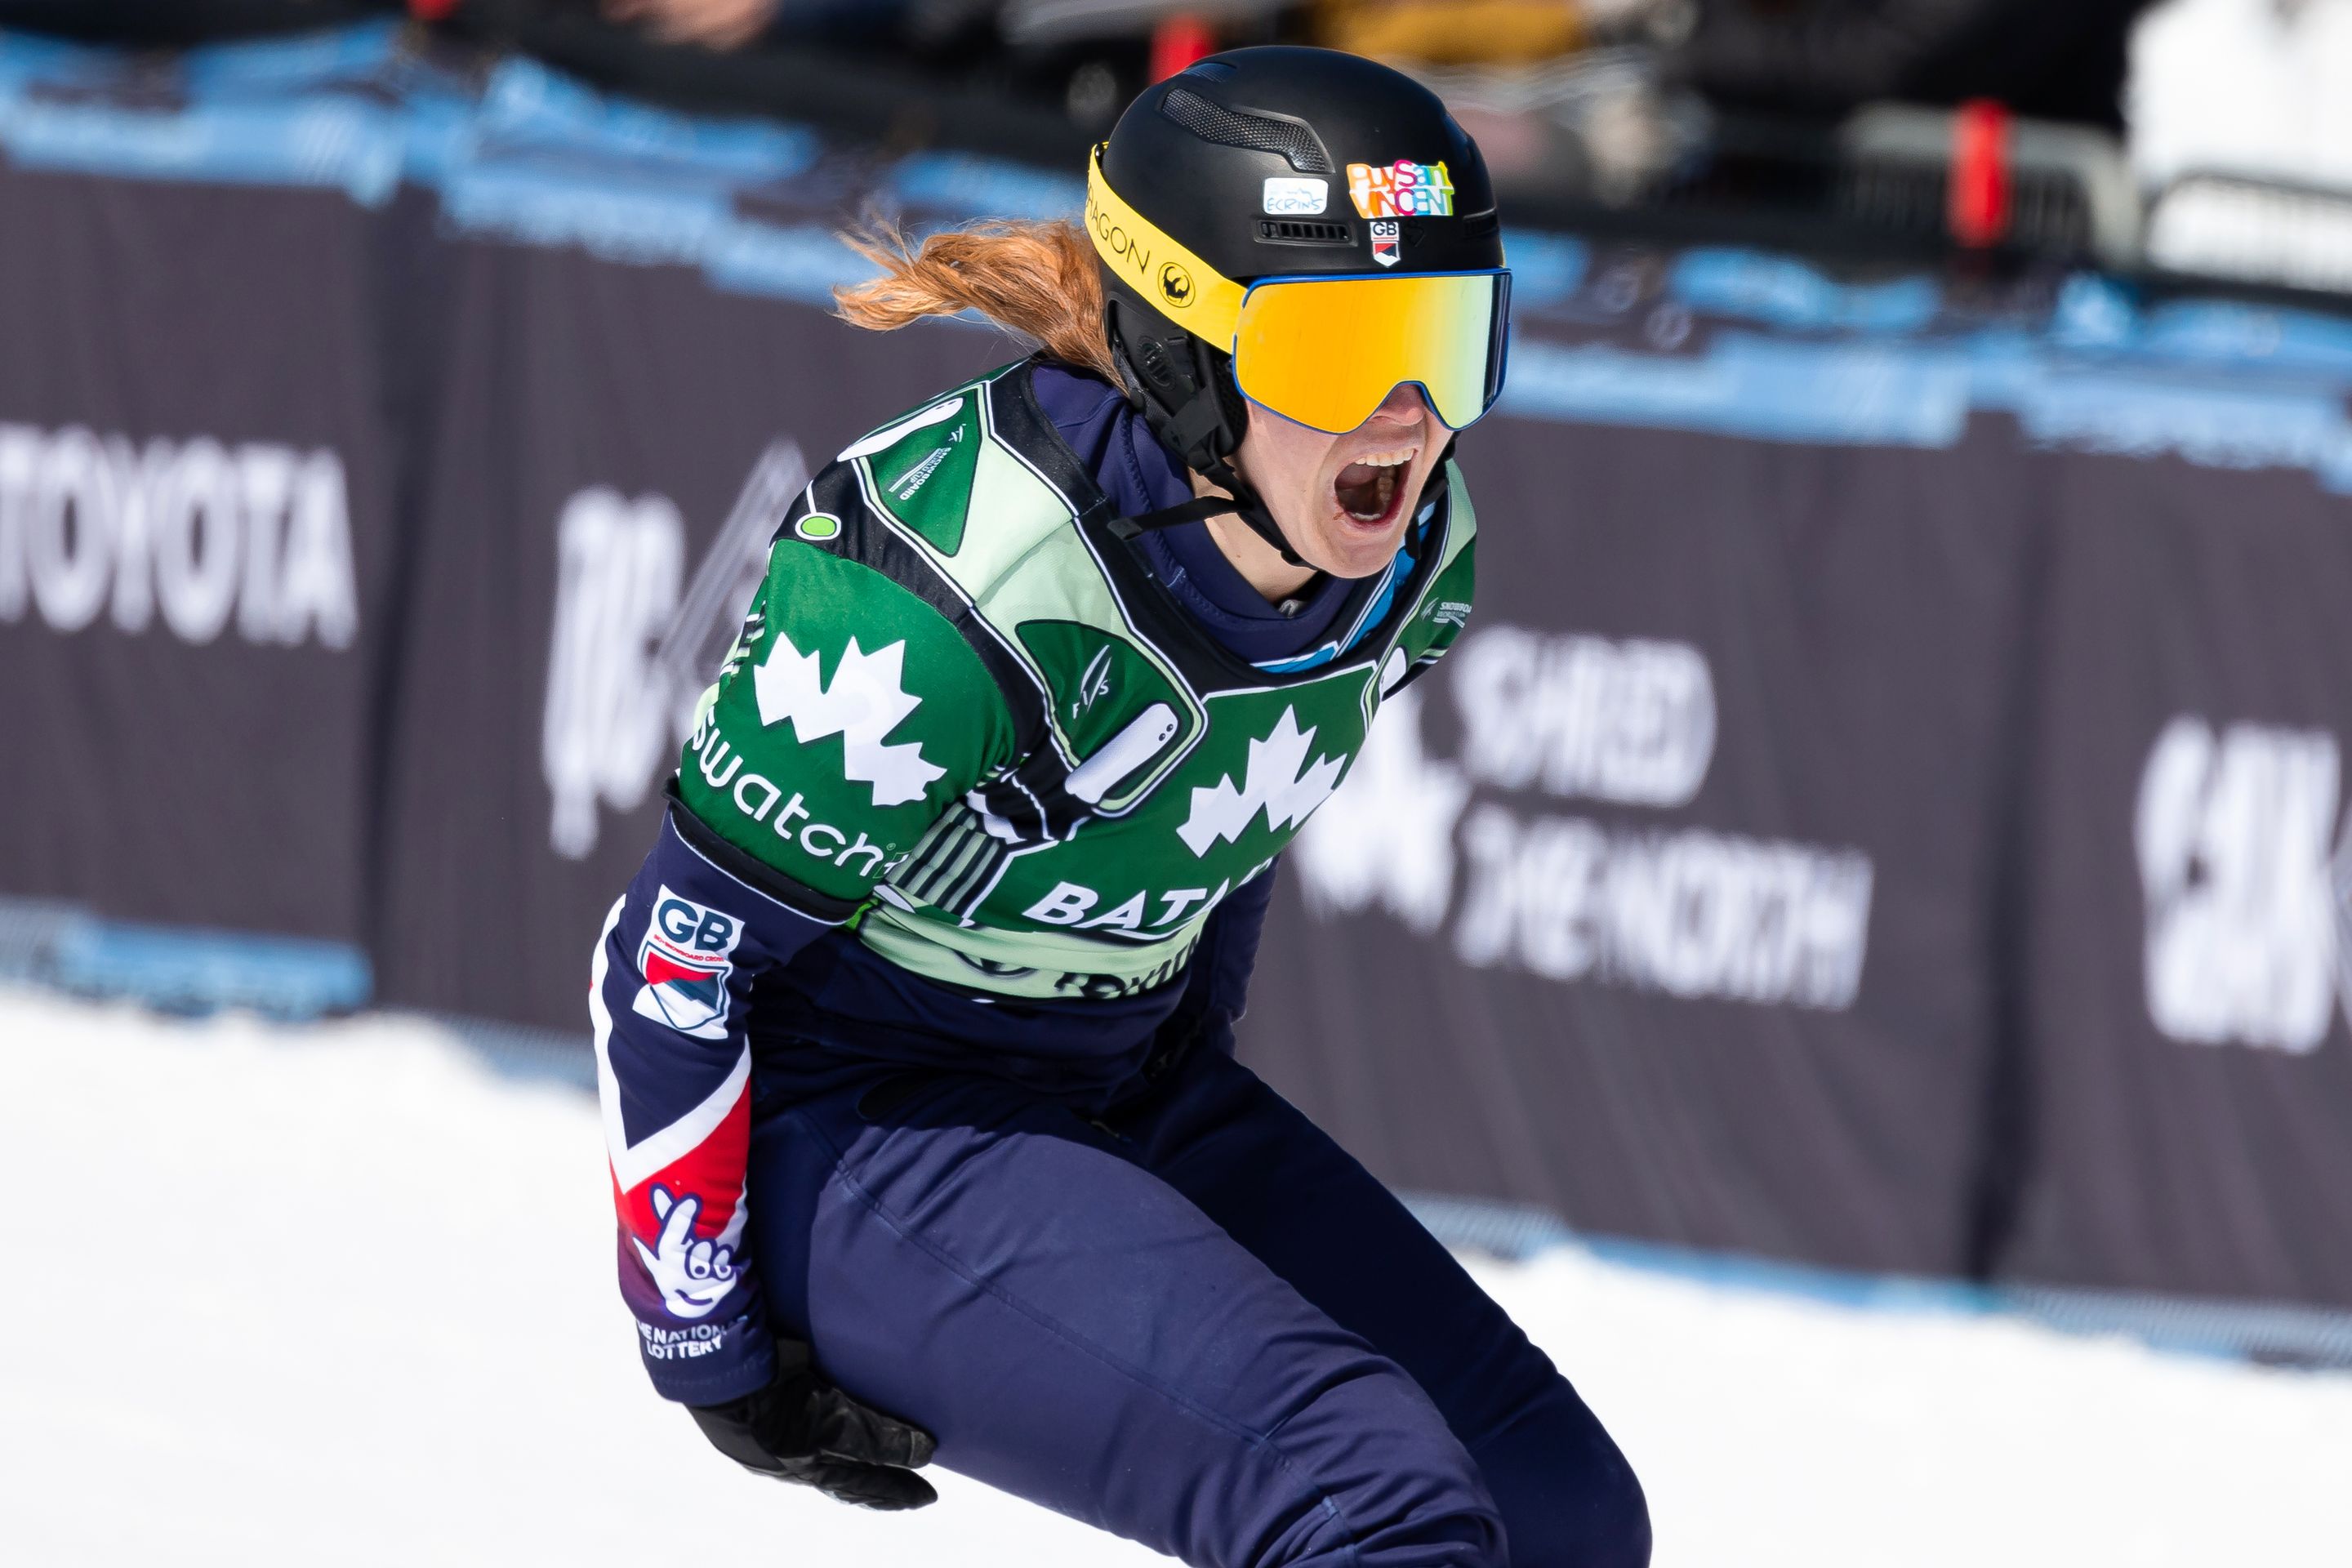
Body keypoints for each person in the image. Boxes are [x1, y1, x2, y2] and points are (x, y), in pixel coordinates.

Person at [590, 46, 1650, 1568]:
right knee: (1377, 1511)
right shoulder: (952, 588)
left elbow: (1231, 818)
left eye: (1449, 338)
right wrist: (706, 1346)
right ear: (1181, 358)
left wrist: (1181, 1082)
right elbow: (671, 959)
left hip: (1113, 1081)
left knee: (1563, 1519)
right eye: (1343, 353)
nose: (1411, 420)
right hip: (857, 1123)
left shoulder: (1418, 562)